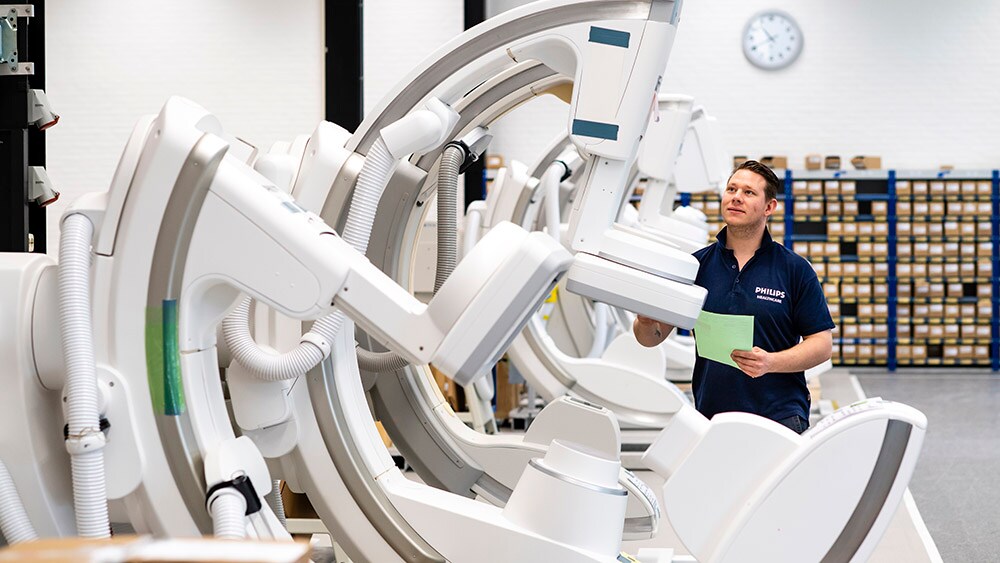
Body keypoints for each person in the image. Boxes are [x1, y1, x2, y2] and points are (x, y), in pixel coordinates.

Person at [633, 160, 833, 434]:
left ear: (769, 207)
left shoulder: (794, 270)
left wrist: (771, 363)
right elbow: (651, 338)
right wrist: (645, 321)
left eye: (749, 192)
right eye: (731, 189)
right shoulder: (696, 267)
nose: (736, 197)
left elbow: (822, 344)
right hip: (712, 418)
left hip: (780, 417)